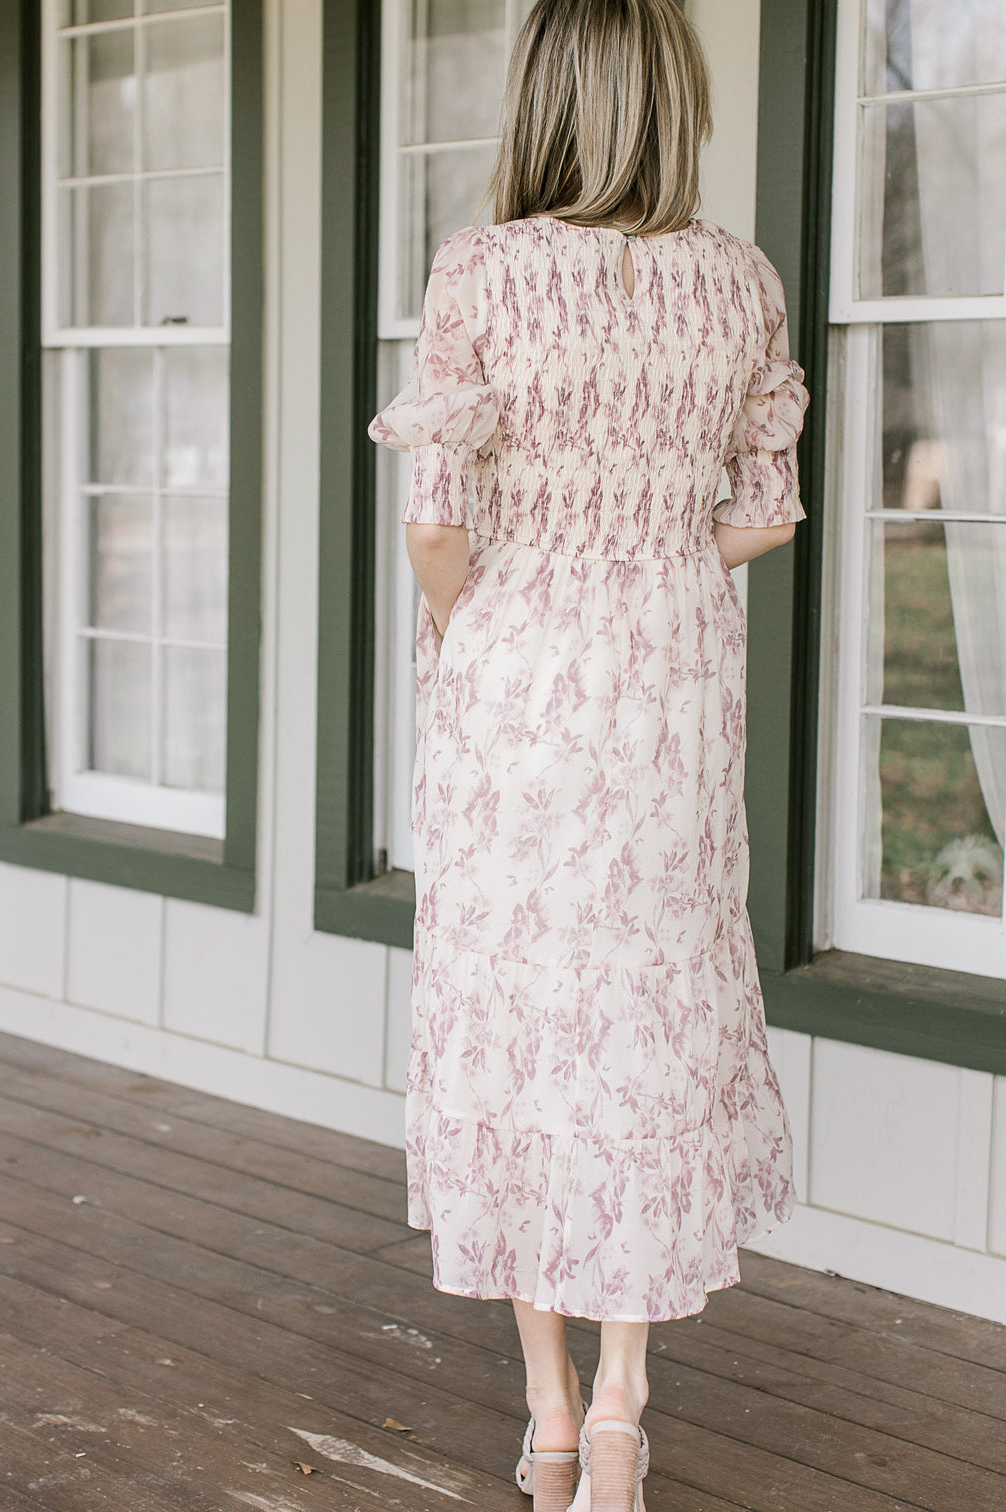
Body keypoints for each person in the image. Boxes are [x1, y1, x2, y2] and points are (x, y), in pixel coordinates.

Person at [367, 1, 808, 1508]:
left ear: (543, 96)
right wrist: (654, 558)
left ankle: (550, 1416)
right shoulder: (739, 281)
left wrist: (484, 637)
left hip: (516, 684)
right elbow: (767, 511)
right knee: (649, 1013)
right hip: (673, 683)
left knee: (519, 1024)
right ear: (673, 100)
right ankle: (626, 1401)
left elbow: (434, 522)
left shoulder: (485, 271)